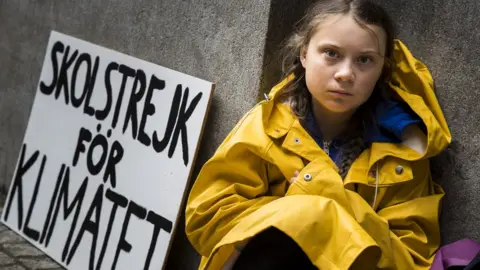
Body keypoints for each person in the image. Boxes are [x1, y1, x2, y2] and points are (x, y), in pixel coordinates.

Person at [185, 0, 452, 269]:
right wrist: (303, 214)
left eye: (364, 60)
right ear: (304, 54)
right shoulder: (267, 126)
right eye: (331, 53)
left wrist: (327, 195)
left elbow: (411, 260)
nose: (346, 74)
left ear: (382, 68)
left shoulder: (404, 152)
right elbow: (206, 218)